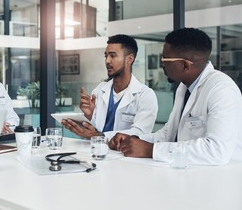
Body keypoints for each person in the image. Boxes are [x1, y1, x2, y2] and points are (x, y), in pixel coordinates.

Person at [109, 27, 242, 165]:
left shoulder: (222, 90)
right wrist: (133, 139)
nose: (162, 63)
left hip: (222, 179)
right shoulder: (184, 87)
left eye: (165, 58)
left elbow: (216, 150)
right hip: (188, 173)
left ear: (185, 65)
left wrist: (151, 150)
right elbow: (168, 134)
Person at [61, 34, 158, 140]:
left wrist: (100, 136)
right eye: (106, 56)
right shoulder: (99, 90)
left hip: (124, 155)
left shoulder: (145, 95)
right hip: (97, 152)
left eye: (113, 56)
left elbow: (140, 133)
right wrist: (89, 115)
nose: (107, 61)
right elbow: (94, 131)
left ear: (129, 59)